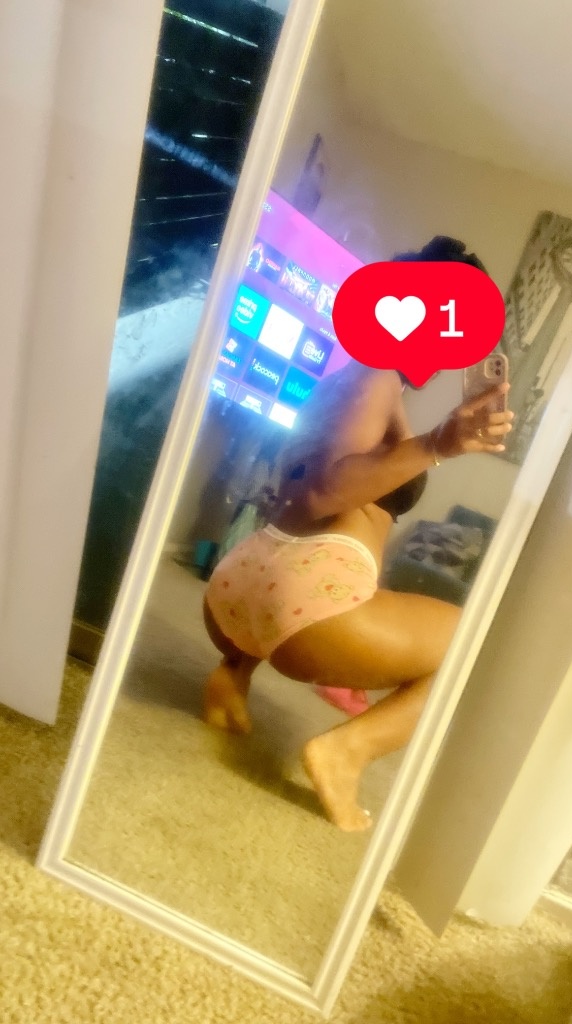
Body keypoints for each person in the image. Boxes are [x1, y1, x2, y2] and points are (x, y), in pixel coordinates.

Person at [202, 236, 514, 832]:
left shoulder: (348, 379)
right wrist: (439, 444)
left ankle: (232, 674)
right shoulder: (376, 377)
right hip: (306, 604)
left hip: (239, 587)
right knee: (475, 646)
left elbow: (305, 484)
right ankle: (347, 752)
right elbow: (326, 492)